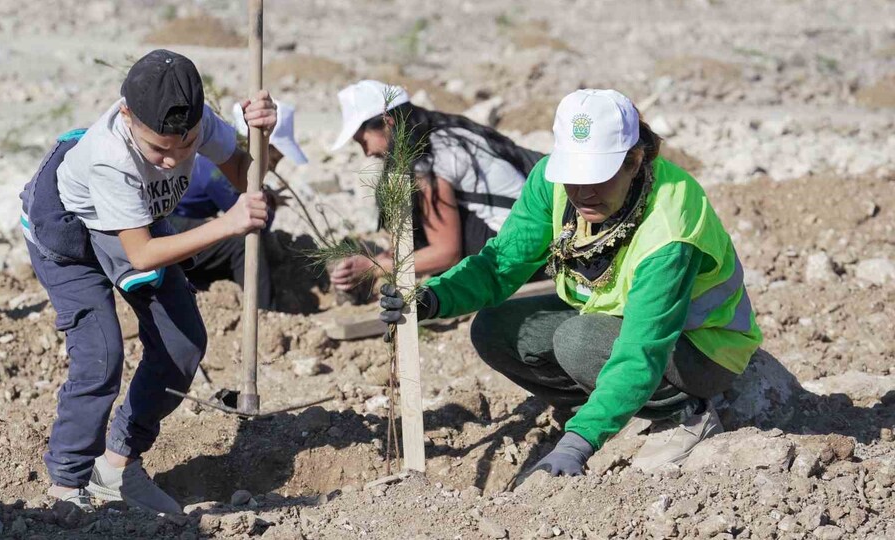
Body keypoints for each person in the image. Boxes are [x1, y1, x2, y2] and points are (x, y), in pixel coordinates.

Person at [380, 89, 763, 477]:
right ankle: (606, 409)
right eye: (573, 176)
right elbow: (500, 264)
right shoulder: (552, 184)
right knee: (495, 328)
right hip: (608, 319)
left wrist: (577, 445)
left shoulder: (669, 228)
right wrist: (432, 298)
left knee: (578, 341)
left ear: (635, 161)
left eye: (598, 176)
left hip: (701, 347)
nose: (583, 192)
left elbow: (642, 348)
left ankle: (684, 414)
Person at [18, 49, 277, 514]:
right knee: (101, 355)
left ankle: (116, 468)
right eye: (158, 149)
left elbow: (246, 174)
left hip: (132, 219)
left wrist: (262, 135)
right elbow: (141, 254)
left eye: (185, 146)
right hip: (67, 232)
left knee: (183, 345)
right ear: (126, 115)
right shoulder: (108, 155)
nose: (171, 160)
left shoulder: (195, 124)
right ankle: (67, 483)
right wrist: (228, 225)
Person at [328, 79, 545, 293]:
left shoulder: (430, 159)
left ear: (388, 122)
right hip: (535, 235)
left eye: (363, 141)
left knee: (423, 216)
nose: (367, 152)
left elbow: (447, 252)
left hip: (522, 254)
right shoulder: (440, 132)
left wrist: (375, 269)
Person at [170, 101, 309, 307]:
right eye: (275, 158)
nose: (275, 166)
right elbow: (253, 220)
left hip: (181, 221)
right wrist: (269, 202)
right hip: (171, 226)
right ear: (263, 147)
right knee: (243, 243)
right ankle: (263, 313)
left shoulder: (218, 156)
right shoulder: (215, 168)